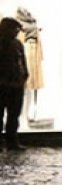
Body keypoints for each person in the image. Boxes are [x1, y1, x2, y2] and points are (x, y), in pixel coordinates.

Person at [0, 17, 28, 151]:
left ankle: (12, 141)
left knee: (14, 115)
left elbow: (22, 61)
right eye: (15, 29)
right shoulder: (3, 44)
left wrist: (24, 76)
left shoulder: (18, 44)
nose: (17, 32)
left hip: (16, 85)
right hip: (3, 85)